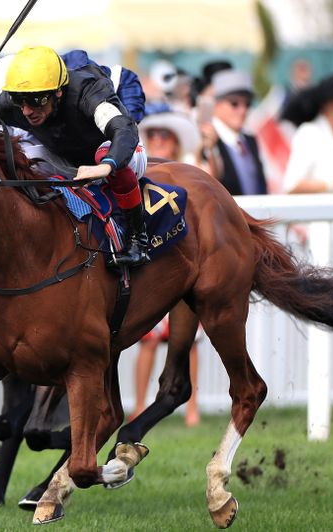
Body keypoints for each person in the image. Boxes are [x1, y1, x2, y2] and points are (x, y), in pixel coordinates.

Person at [0, 46, 150, 267]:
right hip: (66, 159)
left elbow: (124, 130)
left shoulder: (86, 90)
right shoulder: (12, 101)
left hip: (120, 153)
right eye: (19, 100)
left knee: (105, 150)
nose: (26, 110)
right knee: (20, 153)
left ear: (58, 92)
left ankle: (137, 240)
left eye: (36, 101)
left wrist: (105, 166)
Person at [135, 109, 203, 425]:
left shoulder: (191, 171)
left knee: (187, 342)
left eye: (166, 137)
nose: (159, 141)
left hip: (180, 259)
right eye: (154, 136)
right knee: (148, 340)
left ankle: (192, 407)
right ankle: (137, 404)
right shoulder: (138, 169)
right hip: (153, 262)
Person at [201, 70, 268, 195]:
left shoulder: (250, 140)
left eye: (247, 104)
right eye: (234, 103)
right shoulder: (206, 140)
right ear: (216, 105)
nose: (242, 110)